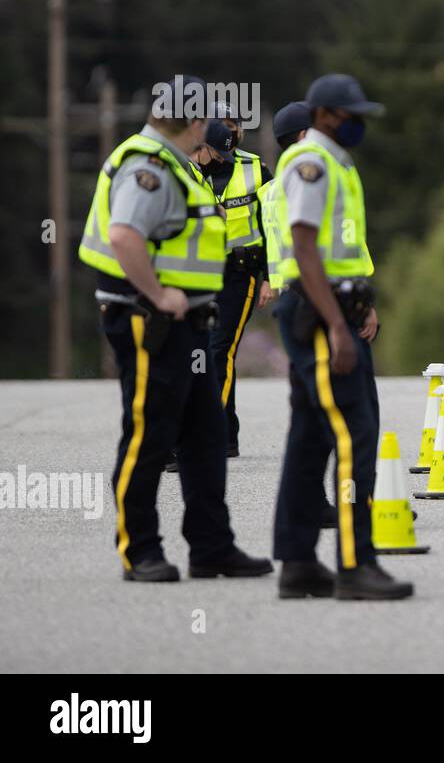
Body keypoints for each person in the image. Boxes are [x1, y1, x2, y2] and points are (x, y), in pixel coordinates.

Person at [77, 74, 272, 582]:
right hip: (150, 321)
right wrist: (159, 294)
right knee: (149, 433)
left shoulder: (174, 162)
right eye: (208, 118)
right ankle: (139, 550)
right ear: (192, 120)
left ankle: (212, 548)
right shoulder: (148, 165)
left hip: (185, 325)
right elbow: (124, 236)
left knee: (205, 437)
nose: (215, 128)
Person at [271, 75, 411, 601]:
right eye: (353, 115)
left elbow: (339, 249)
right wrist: (336, 325)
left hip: (333, 306)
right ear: (326, 114)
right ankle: (355, 566)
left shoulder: (334, 161)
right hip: (320, 313)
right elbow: (304, 247)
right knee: (356, 437)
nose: (361, 124)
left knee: (309, 439)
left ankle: (298, 563)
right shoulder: (312, 163)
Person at [261, 100, 339, 531]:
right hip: (314, 299)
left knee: (312, 415)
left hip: (300, 299)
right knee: (336, 414)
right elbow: (309, 248)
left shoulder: (281, 183)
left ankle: (310, 510)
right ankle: (346, 506)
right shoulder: (308, 175)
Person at [194, 106, 274, 458]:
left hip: (241, 275)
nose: (234, 131)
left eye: (237, 126)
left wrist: (271, 277)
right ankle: (226, 435)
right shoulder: (188, 171)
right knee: (206, 354)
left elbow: (275, 227)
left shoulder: (257, 169)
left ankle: (209, 435)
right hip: (197, 275)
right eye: (226, 126)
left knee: (219, 350)